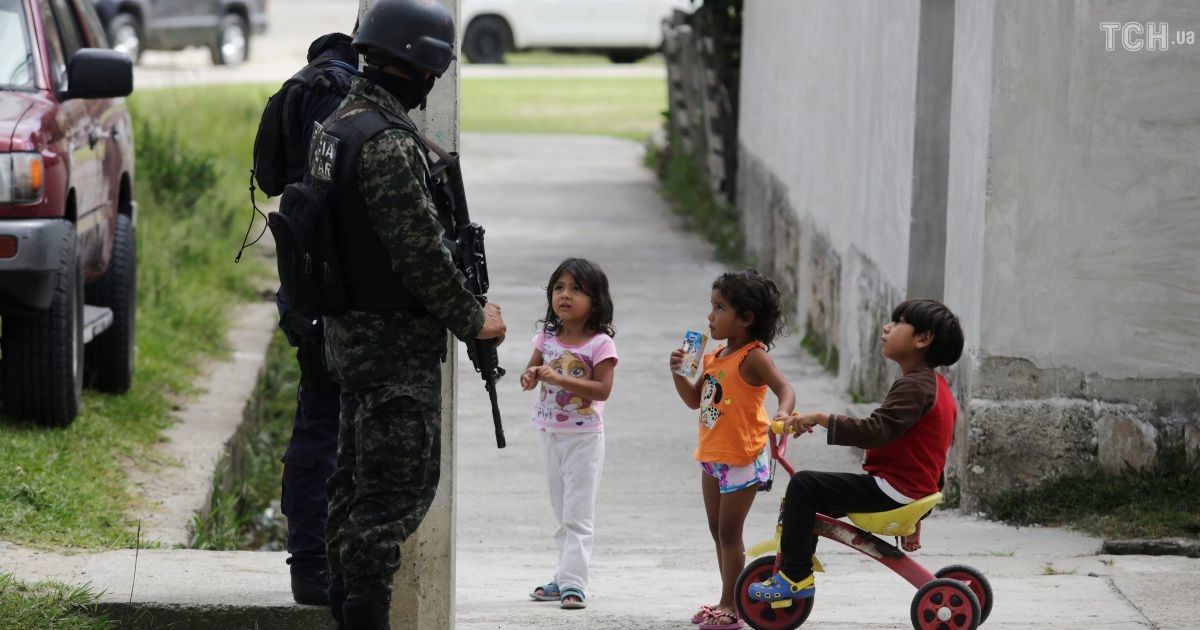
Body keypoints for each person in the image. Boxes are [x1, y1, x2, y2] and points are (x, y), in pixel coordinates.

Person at [315, 1, 507, 628]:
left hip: (350, 340)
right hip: (392, 350)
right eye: (433, 67)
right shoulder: (389, 145)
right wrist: (474, 319)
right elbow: (421, 255)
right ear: (418, 64)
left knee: (352, 491)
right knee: (391, 501)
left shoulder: (337, 126)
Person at [748, 298, 964, 606]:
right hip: (907, 490)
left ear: (923, 339)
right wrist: (919, 509)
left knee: (804, 486)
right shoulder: (935, 387)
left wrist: (821, 418)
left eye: (898, 323)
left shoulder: (916, 387)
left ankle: (794, 577)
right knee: (810, 501)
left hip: (892, 490)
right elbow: (934, 452)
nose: (887, 327)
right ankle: (796, 569)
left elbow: (874, 431)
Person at [271, 30, 358, 608]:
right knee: (328, 429)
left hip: (302, 287)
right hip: (333, 292)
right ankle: (315, 566)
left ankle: (307, 562)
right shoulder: (340, 95)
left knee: (314, 424)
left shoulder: (297, 95)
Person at [669, 269, 796, 630]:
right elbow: (696, 401)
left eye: (719, 308)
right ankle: (729, 595)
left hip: (742, 456)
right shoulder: (713, 355)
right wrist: (679, 373)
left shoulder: (753, 358)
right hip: (713, 456)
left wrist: (784, 413)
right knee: (716, 530)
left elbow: (785, 388)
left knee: (729, 533)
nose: (710, 316)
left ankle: (732, 606)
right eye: (711, 306)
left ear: (746, 318)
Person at [521, 258, 618, 611]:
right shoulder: (547, 337)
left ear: (596, 301)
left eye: (576, 289)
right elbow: (532, 368)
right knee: (561, 510)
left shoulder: (600, 344)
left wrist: (560, 379)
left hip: (584, 438)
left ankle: (575, 583)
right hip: (549, 434)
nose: (565, 295)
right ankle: (562, 577)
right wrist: (530, 376)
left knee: (578, 512)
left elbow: (603, 390)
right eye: (559, 288)